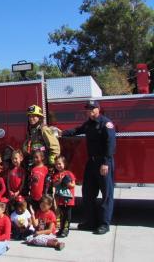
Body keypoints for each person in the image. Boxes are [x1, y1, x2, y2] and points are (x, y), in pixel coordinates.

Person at [61, 100, 116, 235]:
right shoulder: (89, 124)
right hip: (91, 163)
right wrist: (61, 133)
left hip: (103, 163)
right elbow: (77, 130)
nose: (90, 111)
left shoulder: (106, 124)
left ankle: (104, 224)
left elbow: (110, 144)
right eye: (88, 109)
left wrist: (105, 163)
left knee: (106, 195)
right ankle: (90, 222)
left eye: (92, 109)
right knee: (88, 193)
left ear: (98, 109)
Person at [52, 155, 76, 237]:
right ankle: (61, 229)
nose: (58, 166)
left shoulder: (69, 173)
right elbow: (54, 184)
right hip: (60, 200)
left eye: (59, 164)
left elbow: (73, 185)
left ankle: (66, 229)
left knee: (67, 216)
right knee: (61, 215)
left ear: (64, 164)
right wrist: (59, 181)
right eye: (56, 164)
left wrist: (68, 183)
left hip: (68, 199)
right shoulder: (56, 175)